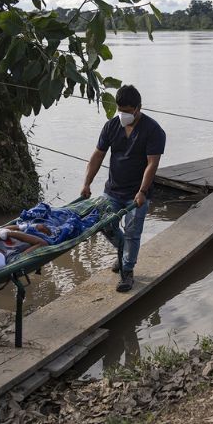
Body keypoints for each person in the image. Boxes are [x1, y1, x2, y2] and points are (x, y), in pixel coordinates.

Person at [81, 85, 166, 292]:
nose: (124, 115)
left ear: (138, 108)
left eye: (128, 111)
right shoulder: (111, 126)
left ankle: (127, 271)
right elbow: (98, 155)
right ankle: (123, 251)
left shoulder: (153, 130)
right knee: (103, 223)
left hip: (137, 193)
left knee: (132, 232)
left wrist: (143, 191)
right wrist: (87, 183)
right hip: (113, 190)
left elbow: (151, 164)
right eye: (121, 110)